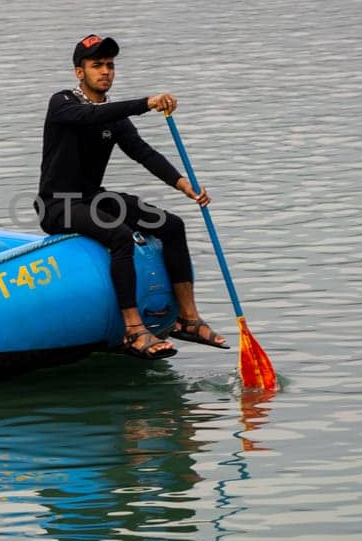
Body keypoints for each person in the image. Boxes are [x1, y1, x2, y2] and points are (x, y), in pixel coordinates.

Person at [37, 33, 230, 360]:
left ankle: (188, 320)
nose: (105, 72)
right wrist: (146, 103)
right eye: (96, 65)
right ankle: (133, 330)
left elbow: (144, 153)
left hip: (93, 199)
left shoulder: (115, 118)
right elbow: (89, 117)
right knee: (120, 236)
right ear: (79, 72)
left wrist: (184, 184)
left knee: (171, 225)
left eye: (110, 66)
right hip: (58, 205)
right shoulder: (63, 103)